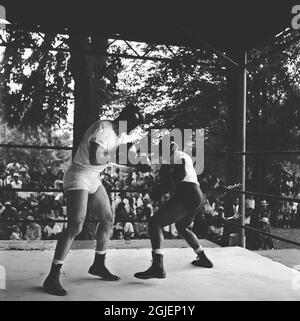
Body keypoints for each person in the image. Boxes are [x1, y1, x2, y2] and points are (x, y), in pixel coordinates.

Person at [43, 103, 149, 296]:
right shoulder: (104, 129)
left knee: (108, 218)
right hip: (80, 174)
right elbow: (95, 158)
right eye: (133, 123)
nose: (134, 127)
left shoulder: (121, 134)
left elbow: (124, 154)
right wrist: (132, 163)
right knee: (75, 225)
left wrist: (140, 161)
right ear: (124, 118)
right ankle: (52, 276)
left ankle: (98, 265)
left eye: (136, 124)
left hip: (93, 177)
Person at [134, 141, 213, 280]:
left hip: (187, 194)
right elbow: (173, 177)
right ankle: (203, 257)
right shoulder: (179, 157)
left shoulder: (177, 156)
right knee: (182, 227)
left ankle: (157, 266)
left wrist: (162, 189)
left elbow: (179, 175)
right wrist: (162, 187)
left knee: (155, 223)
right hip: (197, 195)